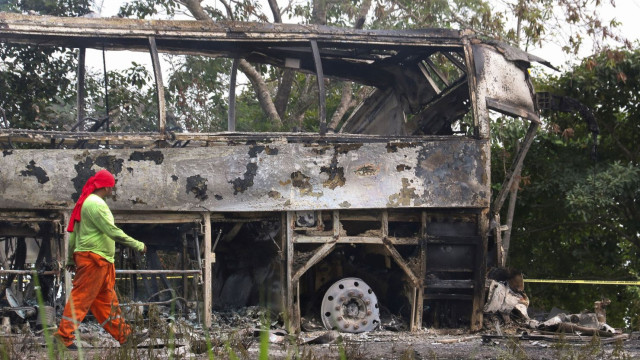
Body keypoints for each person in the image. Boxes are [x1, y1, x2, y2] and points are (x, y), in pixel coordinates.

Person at [55, 169, 147, 350]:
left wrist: (71, 259)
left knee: (106, 303)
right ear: (106, 187)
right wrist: (138, 244)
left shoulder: (84, 203)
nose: (112, 191)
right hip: (94, 260)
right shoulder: (96, 204)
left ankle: (125, 337)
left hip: (97, 260)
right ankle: (63, 337)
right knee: (80, 299)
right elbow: (112, 231)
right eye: (111, 187)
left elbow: (73, 234)